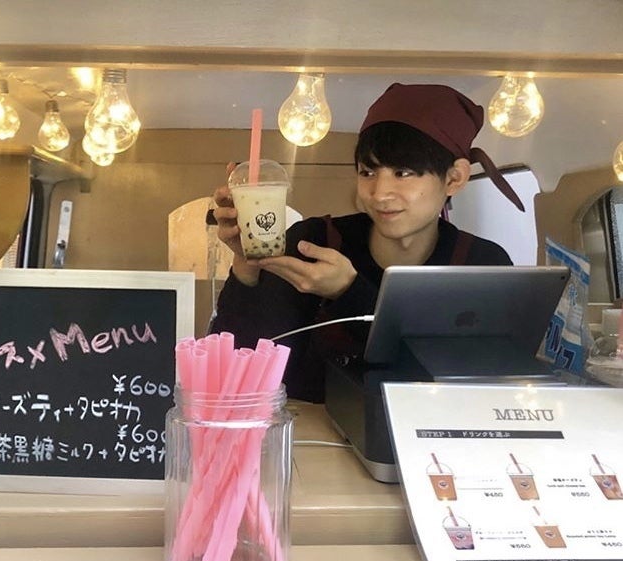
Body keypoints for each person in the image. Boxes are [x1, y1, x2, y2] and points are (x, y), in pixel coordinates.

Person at [209, 83, 525, 403]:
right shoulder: (314, 242)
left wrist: (349, 293)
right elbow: (239, 373)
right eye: (368, 172)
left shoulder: (481, 265)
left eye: (403, 173)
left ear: (454, 178)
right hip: (307, 435)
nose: (379, 193)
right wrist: (247, 267)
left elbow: (476, 390)